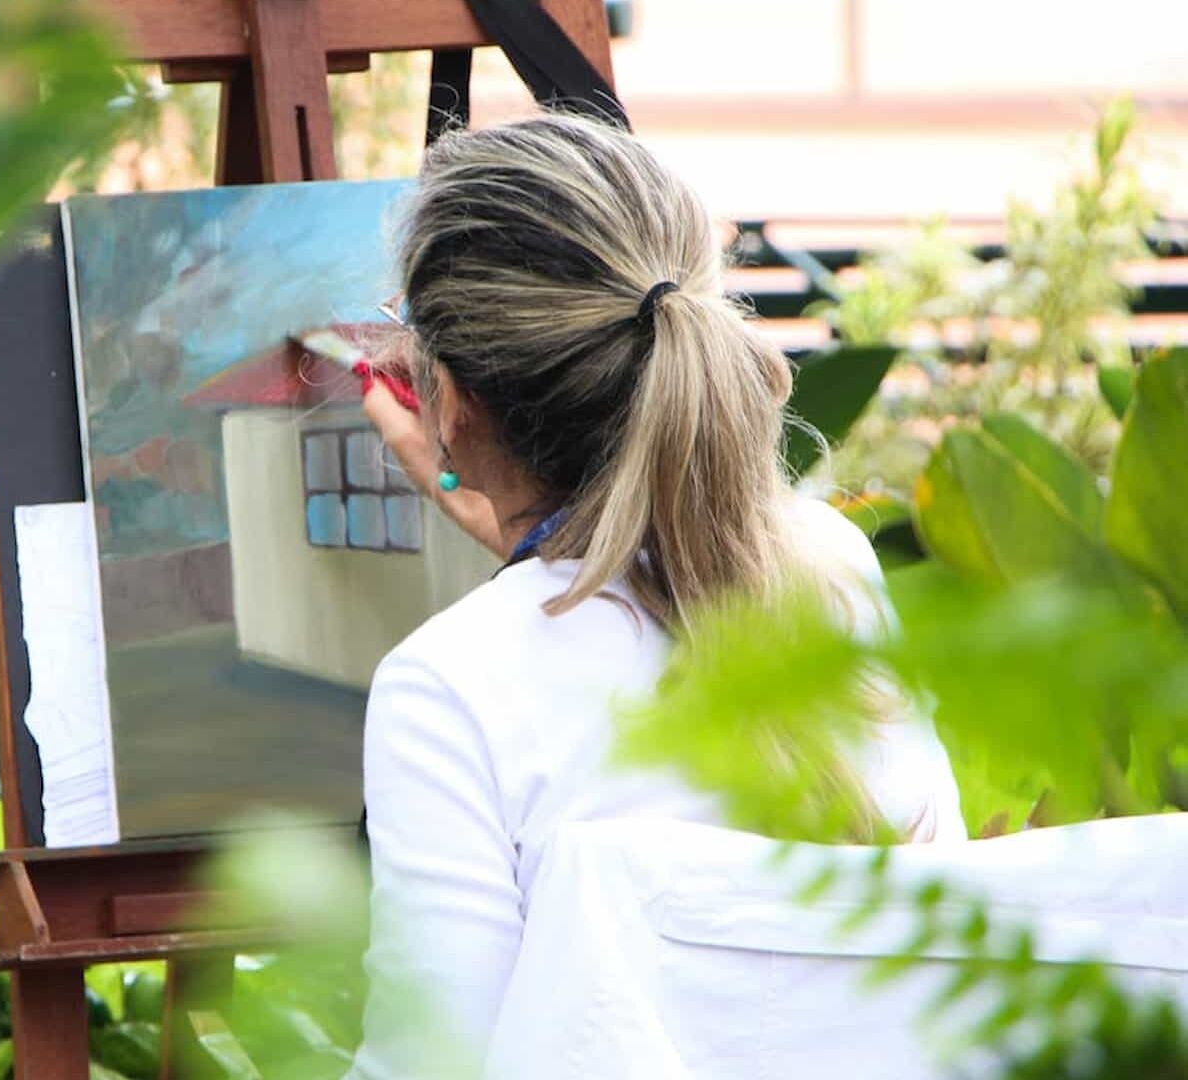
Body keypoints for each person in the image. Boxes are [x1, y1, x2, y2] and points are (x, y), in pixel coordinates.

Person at [347, 114, 966, 1078]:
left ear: (453, 402)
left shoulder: (449, 687)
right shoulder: (833, 564)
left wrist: (526, 573)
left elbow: (434, 1062)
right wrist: (528, 548)